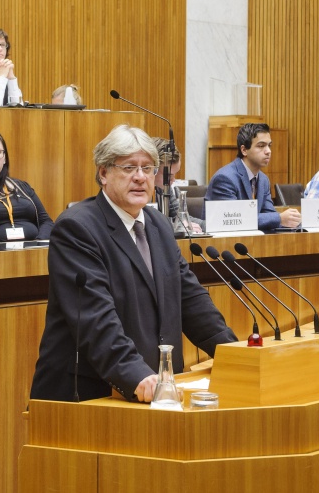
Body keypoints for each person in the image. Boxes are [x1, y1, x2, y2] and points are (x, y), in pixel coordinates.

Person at [29, 125, 237, 403]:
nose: (140, 177)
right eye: (128, 168)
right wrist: (135, 374)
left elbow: (190, 300)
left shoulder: (158, 224)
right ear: (103, 173)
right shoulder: (77, 228)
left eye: (147, 168)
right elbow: (95, 318)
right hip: (90, 395)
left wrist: (235, 354)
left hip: (154, 390)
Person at [204, 122, 301, 231]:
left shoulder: (263, 180)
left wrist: (290, 220)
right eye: (261, 146)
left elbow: (268, 214)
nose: (268, 151)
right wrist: (279, 218)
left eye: (269, 145)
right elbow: (234, 221)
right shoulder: (225, 178)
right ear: (244, 150)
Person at [152, 137, 204, 233]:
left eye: (174, 174)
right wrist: (175, 226)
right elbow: (145, 224)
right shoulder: (139, 192)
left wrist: (210, 225)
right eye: (168, 175)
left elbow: (180, 218)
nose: (173, 180)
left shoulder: (165, 188)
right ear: (152, 169)